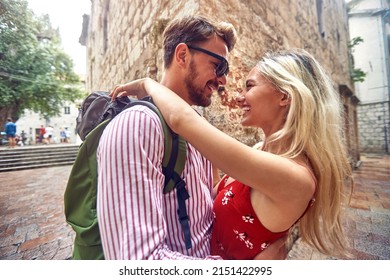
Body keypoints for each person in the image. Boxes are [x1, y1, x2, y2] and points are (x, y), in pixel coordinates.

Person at [111, 49, 354, 259]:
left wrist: (147, 84)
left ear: (284, 96)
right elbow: (223, 196)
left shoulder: (293, 176)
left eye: (250, 86)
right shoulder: (261, 152)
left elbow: (180, 119)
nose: (239, 97)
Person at [97, 15, 286, 260]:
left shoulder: (196, 128)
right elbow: (139, 262)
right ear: (183, 55)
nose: (223, 80)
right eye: (218, 65)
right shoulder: (138, 126)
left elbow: (205, 205)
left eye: (225, 70)